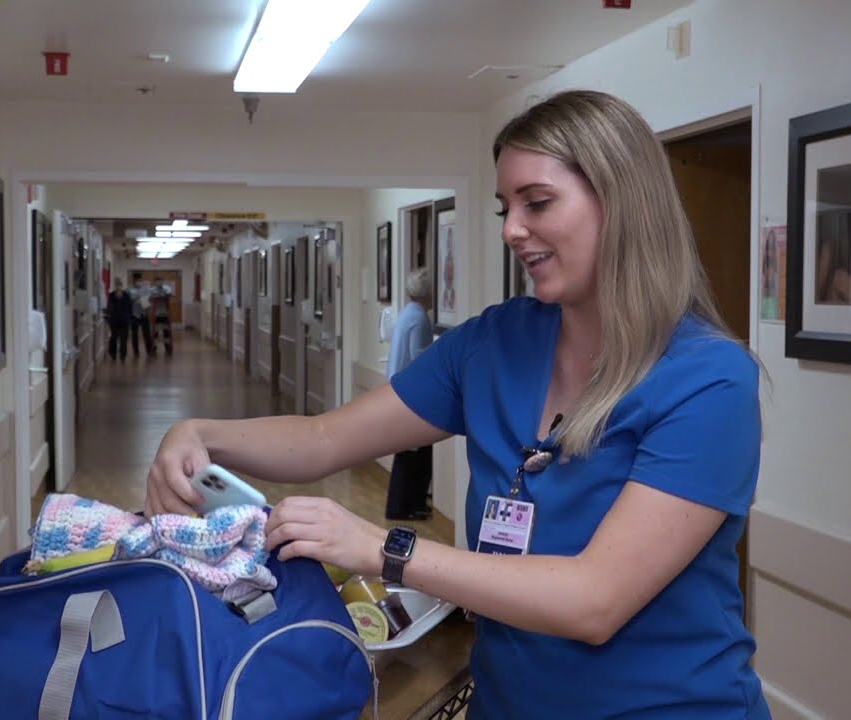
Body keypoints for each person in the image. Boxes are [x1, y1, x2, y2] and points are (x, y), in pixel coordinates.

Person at [146, 89, 769, 719]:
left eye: (538, 202)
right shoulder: (494, 343)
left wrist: (386, 549)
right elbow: (324, 438)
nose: (511, 230)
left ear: (622, 202)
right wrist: (201, 433)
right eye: (506, 207)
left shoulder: (708, 381)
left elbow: (595, 601)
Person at [384, 268, 435, 520]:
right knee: (413, 455)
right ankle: (404, 507)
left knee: (409, 452)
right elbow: (418, 357)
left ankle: (409, 503)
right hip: (412, 394)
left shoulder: (408, 313)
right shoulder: (420, 318)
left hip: (399, 389)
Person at [105, 277, 132, 360]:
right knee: (114, 337)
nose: (118, 287)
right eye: (116, 285)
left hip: (124, 320)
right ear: (115, 285)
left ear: (121, 285)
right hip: (114, 320)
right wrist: (108, 318)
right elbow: (109, 307)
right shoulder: (111, 295)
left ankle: (123, 355)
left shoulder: (126, 295)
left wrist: (129, 319)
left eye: (119, 285)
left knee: (124, 338)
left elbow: (130, 307)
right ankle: (113, 354)